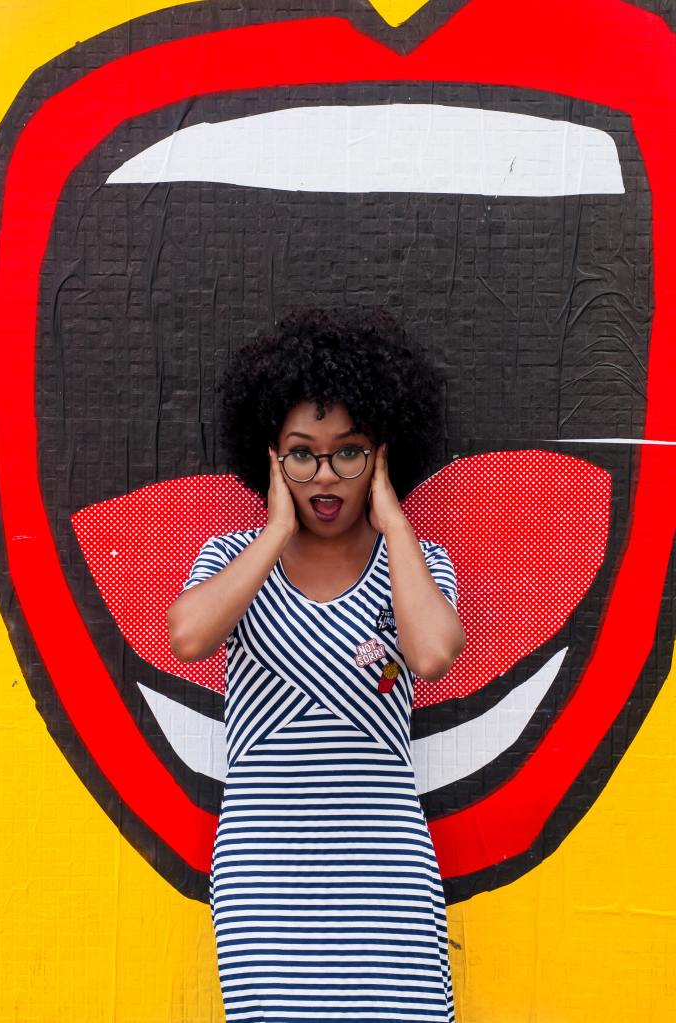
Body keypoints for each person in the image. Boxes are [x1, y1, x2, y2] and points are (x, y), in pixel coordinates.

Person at [168, 306, 466, 1022]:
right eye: (302, 454)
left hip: (386, 880)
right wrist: (276, 531)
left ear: (382, 457)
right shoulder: (230, 558)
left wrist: (394, 522)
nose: (325, 475)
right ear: (271, 457)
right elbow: (189, 637)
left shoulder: (417, 564)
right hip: (265, 882)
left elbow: (431, 654)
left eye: (349, 452)